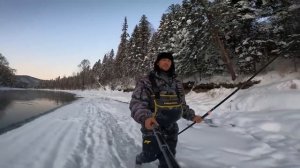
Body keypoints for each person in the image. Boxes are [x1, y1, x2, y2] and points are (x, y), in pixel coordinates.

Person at [130, 52, 203, 168]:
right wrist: (145, 118)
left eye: (169, 60)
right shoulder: (146, 80)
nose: (166, 62)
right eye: (163, 60)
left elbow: (181, 105)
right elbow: (137, 103)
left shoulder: (177, 82)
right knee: (149, 156)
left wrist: (192, 116)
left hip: (172, 128)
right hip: (152, 127)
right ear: (157, 63)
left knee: (168, 159)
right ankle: (140, 158)